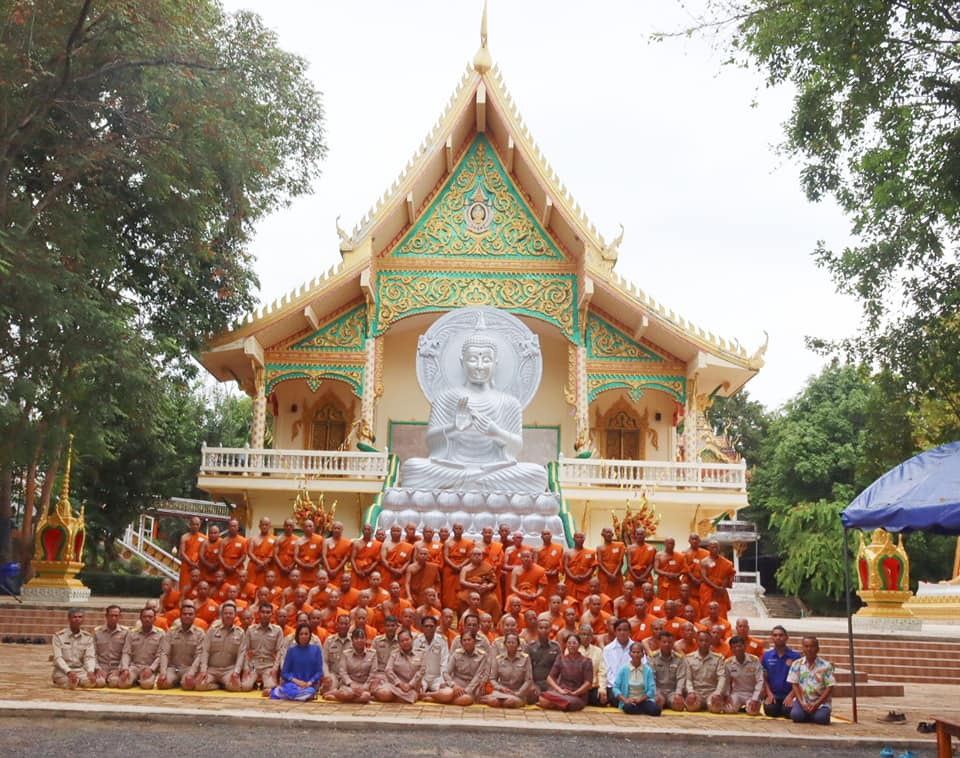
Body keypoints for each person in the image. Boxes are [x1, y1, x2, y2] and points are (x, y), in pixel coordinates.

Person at [399, 331, 548, 492]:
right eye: (472, 359)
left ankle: (468, 485)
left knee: (537, 474)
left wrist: (496, 433)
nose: (479, 366)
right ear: (462, 362)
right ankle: (477, 485)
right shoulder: (445, 398)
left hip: (495, 470)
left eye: (486, 360)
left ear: (495, 363)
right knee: (412, 468)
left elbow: (516, 446)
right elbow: (431, 441)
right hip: (453, 468)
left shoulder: (509, 403)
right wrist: (454, 428)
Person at [195, 602, 245, 691]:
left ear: (235, 615)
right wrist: (203, 670)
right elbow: (205, 651)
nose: (228, 616)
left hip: (228, 670)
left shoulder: (240, 633)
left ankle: (224, 683)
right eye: (225, 613)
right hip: (212, 670)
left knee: (235, 687)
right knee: (199, 685)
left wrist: (236, 672)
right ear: (221, 615)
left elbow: (241, 655)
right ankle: (218, 686)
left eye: (231, 613)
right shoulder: (212, 630)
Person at [538, 633, 593, 712]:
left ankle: (553, 704)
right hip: (561, 693)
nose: (571, 645)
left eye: (574, 643)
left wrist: (575, 693)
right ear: (566, 644)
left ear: (579, 645)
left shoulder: (586, 661)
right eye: (569, 643)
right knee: (542, 697)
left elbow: (588, 683)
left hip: (577, 696)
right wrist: (560, 690)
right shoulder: (561, 658)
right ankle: (558, 705)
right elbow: (549, 678)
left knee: (570, 702)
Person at [430, 630, 488, 705]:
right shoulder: (456, 654)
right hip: (457, 683)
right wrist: (453, 685)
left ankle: (438, 699)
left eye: (469, 640)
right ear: (461, 642)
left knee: (467, 699)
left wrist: (466, 690)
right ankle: (428, 695)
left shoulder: (482, 656)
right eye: (464, 640)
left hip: (472, 686)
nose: (466, 642)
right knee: (448, 693)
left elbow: (478, 676)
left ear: (474, 641)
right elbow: (446, 672)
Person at [787, 636, 835, 725]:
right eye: (806, 646)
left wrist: (817, 704)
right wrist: (801, 702)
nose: (809, 649)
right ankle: (808, 714)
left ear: (818, 649)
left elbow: (830, 687)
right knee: (796, 716)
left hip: (821, 703)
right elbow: (795, 684)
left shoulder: (826, 666)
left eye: (812, 646)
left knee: (822, 719)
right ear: (803, 648)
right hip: (803, 701)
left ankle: (815, 714)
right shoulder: (796, 664)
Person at [157, 601, 205, 690]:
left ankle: (181, 681)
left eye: (190, 614)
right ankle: (174, 680)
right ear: (180, 616)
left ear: (195, 616)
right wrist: (163, 673)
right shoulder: (171, 632)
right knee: (162, 684)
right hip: (175, 669)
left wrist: (191, 673)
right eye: (185, 614)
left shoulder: (200, 633)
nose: (187, 616)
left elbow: (199, 656)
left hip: (189, 668)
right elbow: (164, 653)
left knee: (187, 685)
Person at [269, 623, 323, 701]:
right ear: (297, 636)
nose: (304, 636)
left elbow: (319, 672)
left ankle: (286, 695)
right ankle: (298, 696)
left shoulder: (316, 650)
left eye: (306, 634)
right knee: (289, 688)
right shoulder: (291, 650)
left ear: (310, 635)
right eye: (301, 634)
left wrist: (309, 682)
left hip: (309, 686)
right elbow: (284, 673)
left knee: (310, 691)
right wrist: (297, 682)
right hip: (293, 684)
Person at [481, 631, 535, 708]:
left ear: (518, 645)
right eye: (508, 642)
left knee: (510, 702)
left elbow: (528, 680)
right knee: (494, 702)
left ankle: (493, 700)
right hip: (502, 691)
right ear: (505, 644)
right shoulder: (499, 659)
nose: (511, 644)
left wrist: (518, 693)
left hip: (517, 691)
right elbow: (492, 679)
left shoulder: (525, 658)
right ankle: (492, 699)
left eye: (513, 642)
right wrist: (500, 688)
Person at [240, 602, 284, 692]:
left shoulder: (277, 630)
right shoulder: (251, 630)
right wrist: (246, 668)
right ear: (258, 613)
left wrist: (275, 669)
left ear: (272, 614)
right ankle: (254, 682)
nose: (265, 615)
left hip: (268, 665)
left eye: (268, 612)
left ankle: (265, 682)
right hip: (253, 665)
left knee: (270, 687)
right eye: (263, 612)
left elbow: (280, 651)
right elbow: (244, 650)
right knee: (245, 687)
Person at [117, 607, 164, 689]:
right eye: (145, 617)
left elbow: (160, 656)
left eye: (150, 617)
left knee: (147, 685)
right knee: (122, 684)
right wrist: (125, 668)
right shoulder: (132, 633)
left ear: (154, 619)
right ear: (140, 618)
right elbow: (126, 653)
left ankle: (141, 679)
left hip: (149, 667)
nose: (147, 619)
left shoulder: (161, 634)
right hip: (134, 666)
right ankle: (135, 679)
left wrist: (151, 669)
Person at [376, 629, 425, 703]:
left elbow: (421, 672)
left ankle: (393, 699)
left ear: (412, 639)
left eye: (407, 640)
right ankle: (400, 699)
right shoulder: (394, 654)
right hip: (396, 687)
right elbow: (388, 670)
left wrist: (410, 685)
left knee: (413, 696)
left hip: (412, 688)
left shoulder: (421, 653)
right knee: (384, 693)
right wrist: (399, 684)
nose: (405, 642)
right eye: (402, 641)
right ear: (399, 643)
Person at [761, 624, 801, 717]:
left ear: (786, 637)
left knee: (788, 712)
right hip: (774, 695)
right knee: (770, 711)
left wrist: (791, 696)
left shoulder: (795, 656)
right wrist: (769, 694)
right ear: (771, 638)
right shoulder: (767, 656)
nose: (778, 637)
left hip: (790, 694)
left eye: (781, 635)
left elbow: (800, 680)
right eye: (775, 635)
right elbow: (764, 678)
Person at [612, 641, 661, 716]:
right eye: (633, 652)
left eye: (638, 652)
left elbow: (651, 690)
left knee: (656, 710)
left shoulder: (647, 670)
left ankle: (641, 710)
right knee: (628, 708)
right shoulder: (624, 669)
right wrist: (625, 700)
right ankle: (643, 711)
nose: (636, 655)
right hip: (629, 701)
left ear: (643, 654)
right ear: (630, 654)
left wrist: (640, 699)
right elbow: (615, 688)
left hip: (643, 700)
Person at [330, 628, 378, 703]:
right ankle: (339, 694)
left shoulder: (372, 654)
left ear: (366, 639)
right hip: (349, 685)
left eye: (362, 638)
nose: (359, 640)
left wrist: (365, 686)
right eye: (356, 638)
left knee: (366, 696)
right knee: (347, 694)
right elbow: (343, 672)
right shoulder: (346, 654)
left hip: (364, 684)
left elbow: (373, 673)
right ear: (352, 640)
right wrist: (351, 684)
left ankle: (336, 697)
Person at [52, 608, 96, 688]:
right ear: (69, 619)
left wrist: (90, 671)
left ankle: (79, 680)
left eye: (80, 617)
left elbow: (89, 657)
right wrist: (68, 672)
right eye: (74, 617)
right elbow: (58, 658)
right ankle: (62, 681)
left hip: (80, 670)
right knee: (72, 684)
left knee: (93, 683)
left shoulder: (87, 637)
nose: (77, 619)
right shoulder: (59, 636)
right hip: (63, 671)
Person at [684, 630, 725, 713]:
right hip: (696, 692)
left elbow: (722, 678)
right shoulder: (689, 658)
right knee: (691, 707)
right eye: (701, 640)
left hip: (711, 692)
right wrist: (691, 692)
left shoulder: (718, 658)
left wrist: (717, 693)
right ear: (697, 642)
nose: (704, 643)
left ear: (710, 642)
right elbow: (688, 679)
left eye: (706, 641)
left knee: (716, 709)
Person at [722, 635, 764, 715]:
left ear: (745, 647)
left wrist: (755, 698)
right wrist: (727, 696)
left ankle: (747, 707)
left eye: (739, 646)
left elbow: (760, 681)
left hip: (752, 693)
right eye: (734, 647)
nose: (737, 649)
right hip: (737, 693)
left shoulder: (754, 660)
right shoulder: (728, 663)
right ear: (731, 649)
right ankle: (739, 706)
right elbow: (726, 681)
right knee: (728, 710)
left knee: (753, 712)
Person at [648, 630, 687, 711]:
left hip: (673, 692)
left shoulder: (679, 659)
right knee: (656, 704)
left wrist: (678, 694)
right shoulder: (652, 658)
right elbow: (651, 678)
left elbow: (681, 678)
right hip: (658, 691)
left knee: (679, 706)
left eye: (670, 642)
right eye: (664, 642)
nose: (667, 644)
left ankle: (670, 703)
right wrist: (655, 693)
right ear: (659, 642)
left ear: (673, 643)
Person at [458, 546, 501, 620]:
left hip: (484, 592)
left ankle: (493, 623)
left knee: (493, 600)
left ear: (482, 556)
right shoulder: (465, 568)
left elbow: (493, 581)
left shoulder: (487, 567)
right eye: (475, 554)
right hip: (470, 591)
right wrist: (473, 585)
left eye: (479, 554)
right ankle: (465, 621)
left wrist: (487, 587)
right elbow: (462, 581)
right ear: (470, 556)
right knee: (461, 598)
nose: (477, 557)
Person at [413, 614, 449, 696]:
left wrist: (443, 681)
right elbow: (415, 663)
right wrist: (417, 680)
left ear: (436, 627)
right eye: (426, 626)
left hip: (437, 677)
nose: (429, 628)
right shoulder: (417, 640)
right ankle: (432, 695)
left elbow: (444, 662)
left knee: (447, 693)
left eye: (431, 626)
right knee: (415, 692)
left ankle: (428, 696)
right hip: (422, 677)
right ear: (422, 627)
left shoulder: (442, 640)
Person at [92, 604, 127, 688]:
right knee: (99, 683)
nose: (114, 618)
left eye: (116, 616)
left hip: (117, 666)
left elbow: (126, 653)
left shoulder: (125, 632)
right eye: (111, 615)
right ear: (106, 616)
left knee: (114, 683)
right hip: (101, 666)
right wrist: (97, 668)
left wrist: (118, 670)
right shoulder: (97, 632)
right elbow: (93, 653)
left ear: (120, 617)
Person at [698, 540, 735, 618]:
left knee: (721, 610)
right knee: (706, 610)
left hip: (720, 590)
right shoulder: (704, 561)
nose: (714, 549)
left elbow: (727, 576)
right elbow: (704, 577)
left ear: (719, 548)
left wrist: (722, 588)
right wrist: (716, 588)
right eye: (712, 547)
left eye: (716, 547)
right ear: (708, 548)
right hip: (707, 589)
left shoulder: (726, 562)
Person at [525, 617, 561, 695]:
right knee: (532, 697)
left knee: (552, 697)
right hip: (535, 683)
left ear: (550, 629)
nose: (544, 630)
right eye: (541, 628)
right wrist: (531, 684)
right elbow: (527, 668)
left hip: (551, 684)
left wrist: (557, 685)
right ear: (537, 629)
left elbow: (560, 668)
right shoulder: (530, 646)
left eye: (546, 628)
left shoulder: (556, 647)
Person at [602, 619, 634, 706]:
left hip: (633, 686)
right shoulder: (608, 649)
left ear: (630, 632)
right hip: (614, 686)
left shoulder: (637, 648)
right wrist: (618, 685)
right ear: (615, 632)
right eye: (619, 630)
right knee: (616, 699)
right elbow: (607, 672)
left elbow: (642, 668)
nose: (622, 633)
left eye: (625, 630)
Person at [577, 624, 608, 706]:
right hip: (577, 687)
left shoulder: (598, 651)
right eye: (583, 634)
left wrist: (602, 689)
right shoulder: (572, 649)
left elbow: (602, 672)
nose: (586, 637)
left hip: (593, 687)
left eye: (588, 635)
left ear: (592, 637)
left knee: (602, 701)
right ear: (579, 635)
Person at [563, 531, 596, 603]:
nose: (580, 539)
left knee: (585, 602)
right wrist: (572, 577)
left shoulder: (590, 553)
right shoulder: (568, 553)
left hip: (585, 581)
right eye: (577, 537)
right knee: (571, 601)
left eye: (581, 537)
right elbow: (565, 567)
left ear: (584, 539)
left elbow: (592, 567)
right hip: (571, 581)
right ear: (573, 539)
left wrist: (585, 576)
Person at [178, 516, 206, 591]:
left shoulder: (204, 538)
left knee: (197, 588)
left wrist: (197, 563)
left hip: (199, 566)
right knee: (184, 587)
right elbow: (182, 553)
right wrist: (191, 563)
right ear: (190, 525)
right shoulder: (184, 537)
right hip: (187, 566)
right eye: (193, 524)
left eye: (197, 524)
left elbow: (205, 553)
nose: (195, 526)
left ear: (200, 525)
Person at [350, 523, 382, 589]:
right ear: (362, 531)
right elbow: (352, 558)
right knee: (355, 590)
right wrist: (357, 571)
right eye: (365, 529)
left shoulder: (377, 544)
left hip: (370, 570)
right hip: (357, 570)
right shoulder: (356, 543)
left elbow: (377, 560)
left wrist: (368, 570)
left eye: (369, 529)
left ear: (372, 531)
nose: (367, 531)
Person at [247, 517, 277, 586]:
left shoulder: (274, 539)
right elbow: (250, 552)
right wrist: (258, 562)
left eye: (266, 525)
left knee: (265, 588)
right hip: (254, 565)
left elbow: (272, 554)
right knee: (251, 586)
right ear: (259, 526)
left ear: (270, 526)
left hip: (267, 566)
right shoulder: (253, 538)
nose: (264, 527)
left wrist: (262, 564)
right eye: (262, 525)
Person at [294, 519, 324, 588]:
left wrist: (314, 564)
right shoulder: (298, 541)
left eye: (310, 526)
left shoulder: (319, 539)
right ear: (303, 528)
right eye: (306, 526)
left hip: (314, 569)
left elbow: (322, 556)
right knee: (301, 590)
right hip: (302, 569)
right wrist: (303, 565)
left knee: (314, 590)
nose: (308, 528)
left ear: (314, 528)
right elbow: (295, 557)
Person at [654, 537, 684, 602]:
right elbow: (656, 569)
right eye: (669, 543)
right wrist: (667, 574)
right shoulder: (659, 555)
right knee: (663, 601)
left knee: (675, 601)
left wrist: (677, 575)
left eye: (673, 544)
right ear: (665, 544)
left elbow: (683, 569)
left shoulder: (679, 556)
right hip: (663, 582)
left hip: (675, 583)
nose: (671, 545)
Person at [274, 518, 299, 588]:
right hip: (279, 567)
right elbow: (275, 555)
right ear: (284, 526)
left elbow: (298, 555)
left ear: (293, 527)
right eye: (287, 525)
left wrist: (291, 566)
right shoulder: (278, 539)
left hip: (291, 567)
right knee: (278, 587)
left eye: (290, 525)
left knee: (291, 586)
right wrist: (281, 567)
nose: (288, 527)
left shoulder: (297, 540)